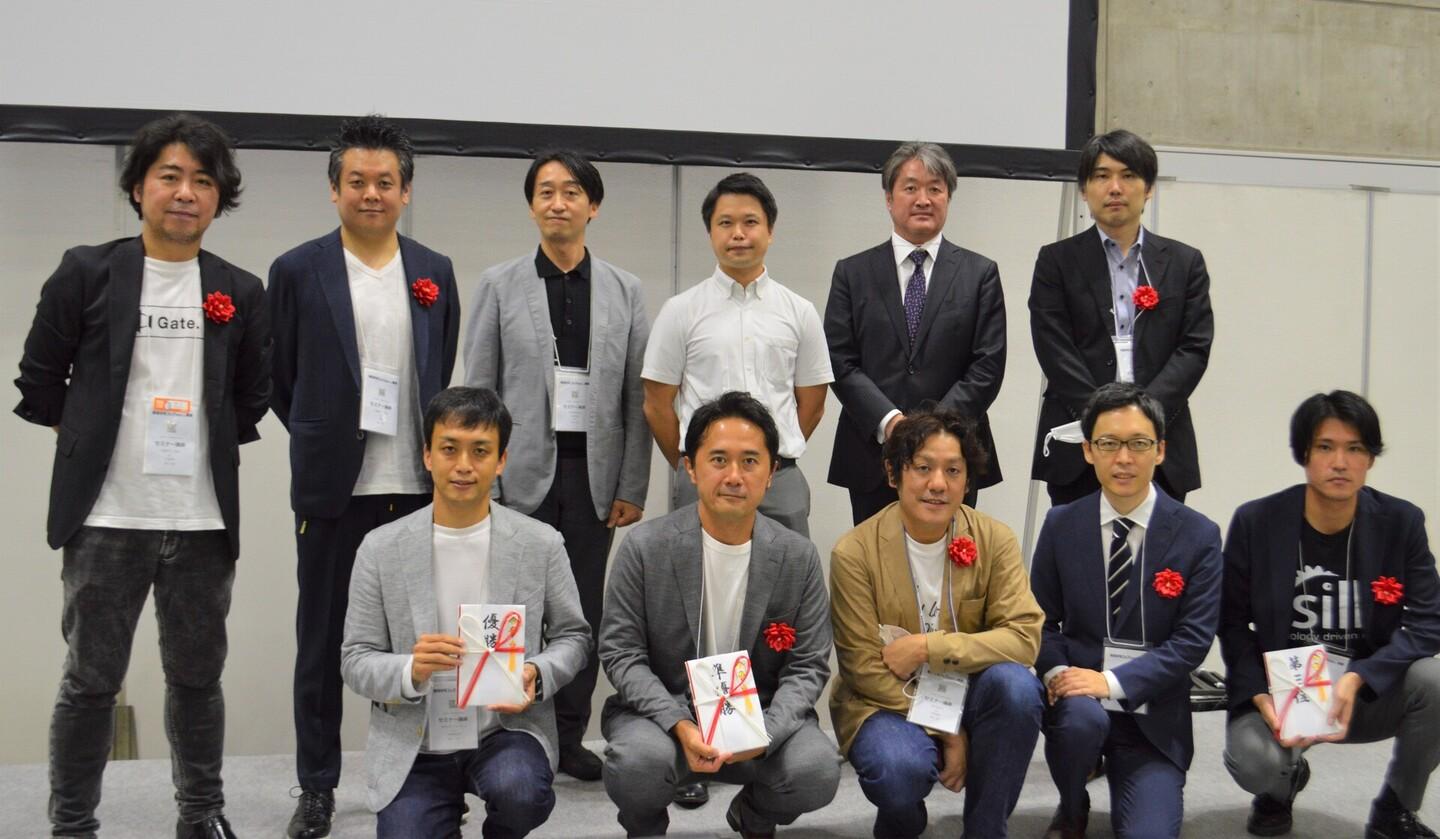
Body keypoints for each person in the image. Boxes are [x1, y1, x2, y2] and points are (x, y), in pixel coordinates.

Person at [13, 113, 269, 839]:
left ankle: (201, 815)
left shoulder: (239, 289)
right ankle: (73, 825)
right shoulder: (87, 271)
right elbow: (39, 381)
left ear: (218, 198)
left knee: (197, 680)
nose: (185, 192)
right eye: (170, 176)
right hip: (107, 517)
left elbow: (251, 396)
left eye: (203, 181)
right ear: (137, 188)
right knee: (90, 682)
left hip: (201, 521)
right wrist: (91, 438)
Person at [268, 114, 461, 838]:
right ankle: (317, 784)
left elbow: (441, 369)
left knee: (417, 643)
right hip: (333, 491)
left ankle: (417, 774)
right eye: (357, 181)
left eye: (385, 182)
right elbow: (280, 378)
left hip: (414, 489)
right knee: (322, 645)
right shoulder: (297, 269)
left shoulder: (434, 270)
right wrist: (323, 435)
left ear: (405, 191)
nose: (371, 193)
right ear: (334, 189)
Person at [464, 149, 651, 780]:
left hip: (594, 479)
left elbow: (636, 397)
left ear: (592, 206)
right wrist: (482, 480)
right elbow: (478, 391)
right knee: (507, 607)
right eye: (545, 192)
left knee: (582, 612)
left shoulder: (625, 290)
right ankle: (499, 737)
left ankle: (569, 737)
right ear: (531, 206)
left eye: (571, 192)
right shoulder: (498, 284)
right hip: (518, 476)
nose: (558, 203)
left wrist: (632, 483)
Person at [341, 386, 590, 838]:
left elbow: (574, 637)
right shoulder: (380, 549)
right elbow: (355, 659)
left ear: (501, 460)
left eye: (480, 451)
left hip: (504, 731)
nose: (463, 465)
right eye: (449, 448)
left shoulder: (540, 543)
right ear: (427, 455)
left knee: (520, 792)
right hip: (416, 742)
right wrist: (410, 670)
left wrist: (535, 674)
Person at [599, 391, 841, 837]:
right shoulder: (645, 548)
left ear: (772, 472)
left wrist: (765, 733)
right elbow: (621, 654)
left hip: (759, 712)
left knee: (817, 770)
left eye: (750, 461)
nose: (733, 476)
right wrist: (681, 724)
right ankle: (645, 823)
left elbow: (808, 666)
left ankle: (754, 815)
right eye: (718, 460)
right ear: (690, 468)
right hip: (665, 713)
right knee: (636, 764)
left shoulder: (797, 556)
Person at [1219, 390, 1440, 838]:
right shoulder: (1257, 521)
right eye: (1325, 447)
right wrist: (1259, 694)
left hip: (1361, 691)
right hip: (1283, 690)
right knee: (1256, 763)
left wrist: (1360, 677)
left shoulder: (1400, 522)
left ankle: (1395, 809)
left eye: (1354, 448)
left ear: (1370, 458)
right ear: (1304, 454)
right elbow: (1231, 621)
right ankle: (1279, 787)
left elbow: (1430, 620)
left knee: (1436, 682)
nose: (1340, 462)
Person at [829, 408, 1044, 837]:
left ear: (968, 480)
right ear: (893, 474)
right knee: (898, 769)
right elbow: (863, 668)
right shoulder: (854, 552)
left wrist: (929, 648)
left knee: (1018, 689)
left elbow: (1023, 638)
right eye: (923, 468)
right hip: (886, 699)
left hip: (969, 687)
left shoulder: (995, 540)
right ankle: (902, 821)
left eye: (953, 470)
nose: (938, 484)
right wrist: (947, 731)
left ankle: (985, 830)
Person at [1030, 382, 1222, 838]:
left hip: (1153, 714)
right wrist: (1061, 676)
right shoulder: (1061, 524)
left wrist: (1112, 682)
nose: (1123, 458)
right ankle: (1072, 802)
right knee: (1079, 723)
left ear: (1160, 450)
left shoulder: (1198, 535)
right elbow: (1039, 621)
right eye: (1108, 444)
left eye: (1138, 444)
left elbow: (1192, 642)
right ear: (1087, 451)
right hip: (1080, 702)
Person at [1028, 129, 1214, 506]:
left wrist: (1143, 418)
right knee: (1078, 540)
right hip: (1079, 443)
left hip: (1160, 440)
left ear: (1149, 188)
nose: (1115, 187)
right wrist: (1102, 419)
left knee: (1161, 544)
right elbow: (1053, 346)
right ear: (1084, 189)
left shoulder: (1184, 262)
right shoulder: (1056, 261)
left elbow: (1193, 348)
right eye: (1102, 176)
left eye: (1128, 175)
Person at [824, 142, 1007, 523]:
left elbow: (987, 365)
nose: (923, 199)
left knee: (952, 556)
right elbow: (839, 360)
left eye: (935, 189)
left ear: (948, 198)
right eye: (910, 188)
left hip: (953, 455)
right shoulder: (852, 273)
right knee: (876, 555)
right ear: (889, 198)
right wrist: (891, 421)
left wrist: (936, 429)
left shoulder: (980, 273)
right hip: (873, 453)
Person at [642, 173, 833, 538]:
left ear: (770, 231)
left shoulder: (800, 311)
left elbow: (813, 404)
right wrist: (695, 462)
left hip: (780, 479)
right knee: (696, 569)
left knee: (787, 569)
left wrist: (768, 456)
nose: (738, 234)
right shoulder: (680, 311)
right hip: (703, 478)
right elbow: (656, 404)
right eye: (725, 223)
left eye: (750, 222)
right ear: (710, 232)